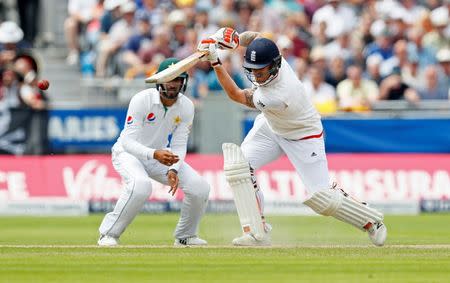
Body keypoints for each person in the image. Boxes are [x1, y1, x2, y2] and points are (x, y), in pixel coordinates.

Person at [197, 29, 387, 247]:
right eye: (252, 70)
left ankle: (371, 220)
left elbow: (236, 95)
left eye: (261, 71)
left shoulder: (276, 95)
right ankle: (257, 231)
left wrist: (215, 62)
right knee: (238, 167)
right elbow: (257, 37)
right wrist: (234, 40)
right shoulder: (272, 56)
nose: (256, 76)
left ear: (275, 66)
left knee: (322, 198)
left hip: (303, 136)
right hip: (272, 126)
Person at [98, 58, 210, 247]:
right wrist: (153, 154)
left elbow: (179, 143)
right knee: (141, 186)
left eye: (178, 79)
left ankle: (185, 236)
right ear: (159, 80)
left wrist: (174, 169)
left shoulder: (186, 106)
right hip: (128, 153)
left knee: (200, 188)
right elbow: (127, 140)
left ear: (184, 82)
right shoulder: (142, 100)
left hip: (159, 155)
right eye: (169, 79)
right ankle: (108, 234)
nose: (173, 84)